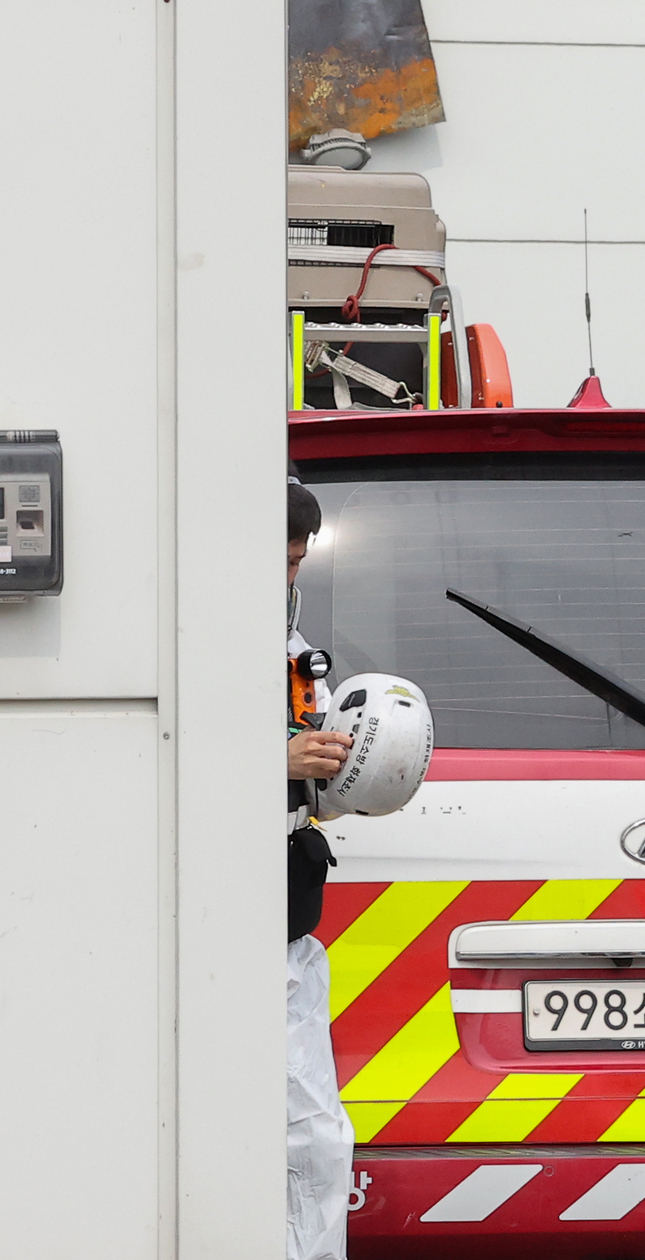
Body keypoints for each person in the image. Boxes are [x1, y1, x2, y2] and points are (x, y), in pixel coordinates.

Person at [286, 482, 354, 1260]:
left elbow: (316, 723)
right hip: (233, 938)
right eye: (282, 562)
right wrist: (279, 760)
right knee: (308, 1147)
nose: (291, 579)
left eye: (300, 564)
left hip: (289, 934)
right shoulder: (188, 627)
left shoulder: (289, 644)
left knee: (312, 1144)